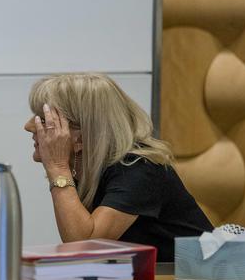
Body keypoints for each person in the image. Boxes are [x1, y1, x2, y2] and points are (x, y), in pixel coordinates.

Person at [24, 73, 212, 262]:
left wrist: (57, 167)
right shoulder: (88, 170)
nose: (29, 126)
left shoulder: (139, 169)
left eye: (43, 119)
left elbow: (83, 245)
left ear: (80, 137)